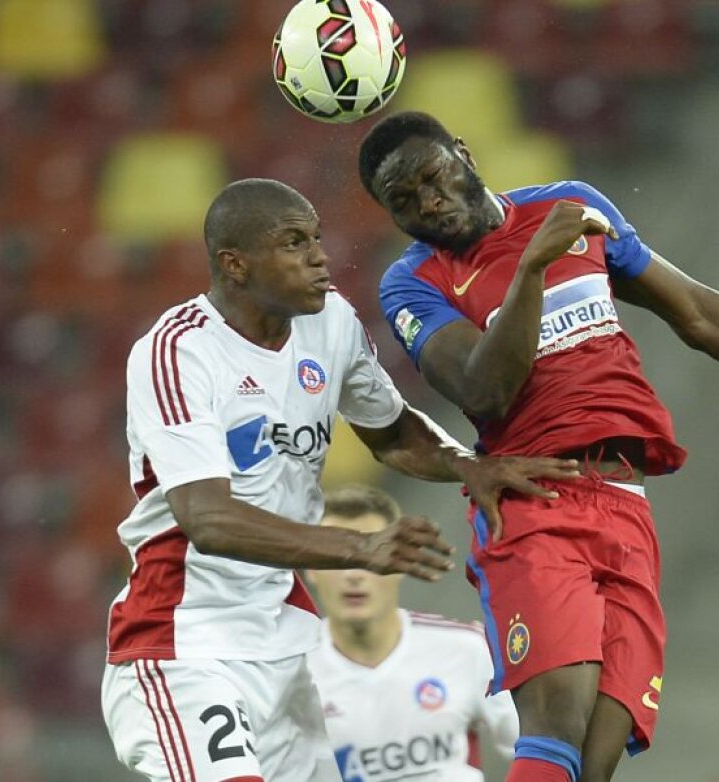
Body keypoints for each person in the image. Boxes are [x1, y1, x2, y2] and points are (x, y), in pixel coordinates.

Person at [356, 112, 719, 782]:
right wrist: (533, 269)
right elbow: (483, 390)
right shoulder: (414, 283)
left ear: (461, 153)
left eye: (432, 177)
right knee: (554, 726)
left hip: (625, 502)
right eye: (403, 202)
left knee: (595, 759)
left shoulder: (569, 208)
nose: (428, 203)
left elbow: (693, 311)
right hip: (533, 503)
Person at [100, 178, 579, 782]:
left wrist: (469, 464)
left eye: (318, 238)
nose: (320, 256)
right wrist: (361, 548)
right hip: (184, 640)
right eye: (294, 243)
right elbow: (208, 519)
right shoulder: (177, 352)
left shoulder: (330, 325)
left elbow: (391, 431)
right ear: (236, 265)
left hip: (285, 637)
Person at [307, 485, 519, 782]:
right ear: (311, 570)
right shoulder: (292, 672)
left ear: (400, 562)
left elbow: (536, 748)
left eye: (370, 555)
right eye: (337, 558)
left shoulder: (467, 649)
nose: (353, 575)